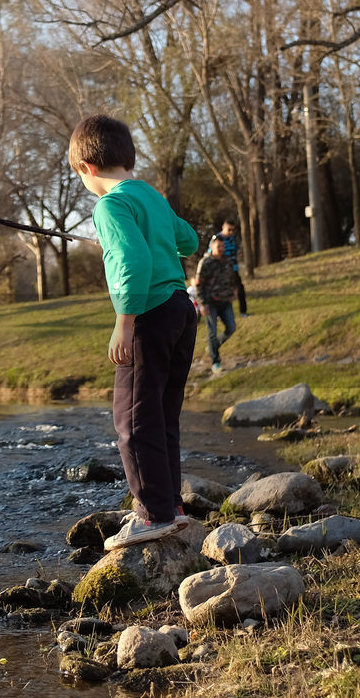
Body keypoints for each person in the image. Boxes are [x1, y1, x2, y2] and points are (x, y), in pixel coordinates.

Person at [68, 114, 199, 551]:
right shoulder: (151, 196)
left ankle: (154, 515)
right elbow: (189, 241)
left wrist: (124, 323)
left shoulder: (109, 206)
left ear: (86, 168)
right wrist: (154, 232)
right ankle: (170, 505)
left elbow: (133, 263)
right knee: (162, 417)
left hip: (150, 315)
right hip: (182, 310)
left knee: (132, 420)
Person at [195, 235, 238, 375]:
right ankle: (215, 361)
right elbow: (198, 284)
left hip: (225, 302)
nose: (221, 249)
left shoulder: (228, 261)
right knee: (212, 332)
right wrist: (203, 304)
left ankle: (213, 347)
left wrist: (234, 292)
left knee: (231, 328)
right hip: (210, 303)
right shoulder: (206, 262)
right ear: (212, 246)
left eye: (223, 246)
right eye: (218, 246)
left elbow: (233, 278)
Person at [215, 219, 248, 315]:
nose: (231, 232)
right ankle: (219, 313)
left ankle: (243, 312)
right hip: (220, 270)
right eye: (229, 230)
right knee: (220, 293)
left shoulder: (233, 238)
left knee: (240, 289)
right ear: (223, 227)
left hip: (233, 269)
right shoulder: (217, 238)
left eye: (233, 230)